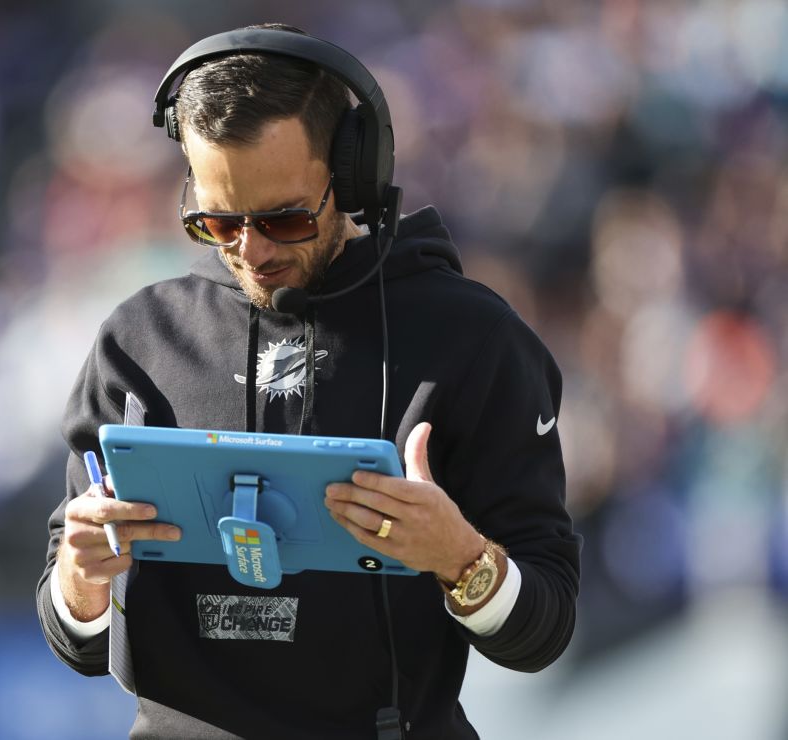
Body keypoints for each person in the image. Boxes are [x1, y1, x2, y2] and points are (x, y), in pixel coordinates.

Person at [37, 23, 580, 739]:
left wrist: (461, 558)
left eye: (284, 218)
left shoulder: (473, 339)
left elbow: (543, 629)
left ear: (352, 174)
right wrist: (81, 582)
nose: (252, 250)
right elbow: (73, 636)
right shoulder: (138, 340)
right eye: (219, 222)